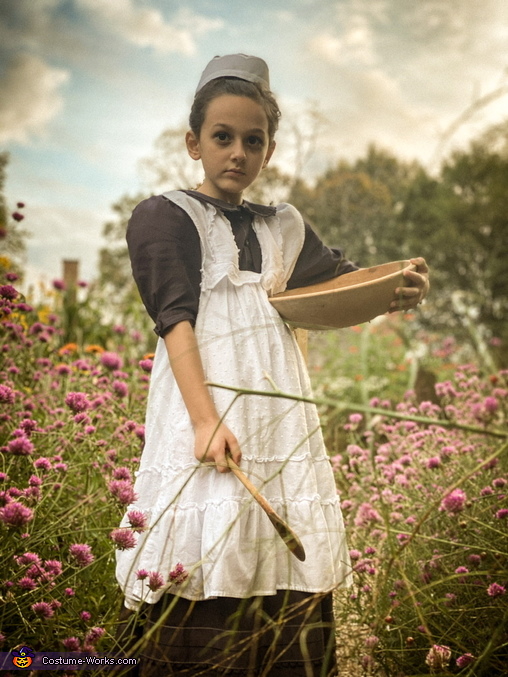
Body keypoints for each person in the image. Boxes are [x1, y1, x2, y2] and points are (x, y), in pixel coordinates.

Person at [115, 54, 430, 676]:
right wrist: (204, 422)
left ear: (270, 150)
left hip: (277, 412)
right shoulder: (165, 217)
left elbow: (338, 286)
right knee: (212, 530)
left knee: (282, 540)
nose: (237, 152)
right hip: (205, 398)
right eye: (222, 137)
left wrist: (396, 286)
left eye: (252, 141)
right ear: (193, 142)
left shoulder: (284, 225)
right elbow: (176, 320)